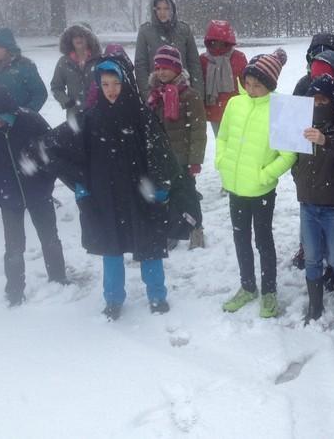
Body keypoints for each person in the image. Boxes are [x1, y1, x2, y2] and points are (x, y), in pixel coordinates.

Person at [42, 57, 200, 320]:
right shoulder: (90, 118)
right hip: (107, 196)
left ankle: (157, 295)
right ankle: (113, 299)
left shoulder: (141, 115)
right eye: (105, 84)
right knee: (111, 249)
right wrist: (79, 182)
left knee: (149, 247)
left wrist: (161, 185)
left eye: (116, 83)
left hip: (141, 195)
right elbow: (52, 146)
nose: (111, 90)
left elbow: (160, 153)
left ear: (125, 83)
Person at [0, 85, 68, 307]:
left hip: (38, 192)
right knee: (14, 247)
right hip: (8, 199)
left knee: (50, 238)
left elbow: (51, 149)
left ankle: (58, 277)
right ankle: (14, 288)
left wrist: (47, 178)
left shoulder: (30, 121)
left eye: (1, 117)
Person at [216, 49, 295, 318]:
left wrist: (265, 175)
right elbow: (223, 137)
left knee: (263, 241)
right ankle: (247, 286)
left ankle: (269, 291)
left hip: (261, 191)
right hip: (235, 187)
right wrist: (222, 161)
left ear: (270, 86)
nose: (250, 89)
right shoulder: (235, 104)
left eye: (257, 85)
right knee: (240, 238)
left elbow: (288, 155)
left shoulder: (280, 110)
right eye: (248, 83)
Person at [294, 74, 334, 322]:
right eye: (315, 100)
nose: (319, 104)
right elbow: (292, 154)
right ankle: (315, 305)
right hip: (308, 203)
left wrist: (325, 140)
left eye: (324, 100)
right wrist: (298, 176)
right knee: (311, 258)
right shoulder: (302, 121)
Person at [147, 45, 207, 249]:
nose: (161, 72)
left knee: (188, 196)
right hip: (163, 159)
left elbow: (198, 131)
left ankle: (196, 229)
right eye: (158, 68)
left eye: (166, 67)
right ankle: (172, 231)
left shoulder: (190, 95)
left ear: (177, 69)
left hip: (183, 159)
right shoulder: (155, 95)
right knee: (169, 197)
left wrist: (195, 160)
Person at [135, 0, 203, 97]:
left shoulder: (184, 30)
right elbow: (141, 65)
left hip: (183, 93)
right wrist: (147, 94)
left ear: (172, 9)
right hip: (156, 94)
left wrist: (197, 94)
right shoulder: (145, 32)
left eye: (166, 8)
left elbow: (194, 64)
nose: (162, 12)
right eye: (159, 8)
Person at [199, 19, 247, 138]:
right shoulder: (203, 60)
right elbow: (199, 85)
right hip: (213, 108)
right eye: (214, 41)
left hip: (234, 108)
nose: (218, 45)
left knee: (236, 139)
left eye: (222, 41)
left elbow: (247, 81)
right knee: (220, 140)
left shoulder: (238, 57)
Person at [0, 27, 48, 113]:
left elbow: (40, 94)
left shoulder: (25, 66)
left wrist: (25, 113)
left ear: (8, 47)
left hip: (22, 118)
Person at [50, 23, 101, 114]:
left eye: (81, 36)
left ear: (89, 38)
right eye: (75, 36)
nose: (78, 39)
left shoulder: (99, 60)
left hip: (97, 112)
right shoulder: (64, 62)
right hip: (74, 114)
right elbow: (56, 87)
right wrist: (66, 101)